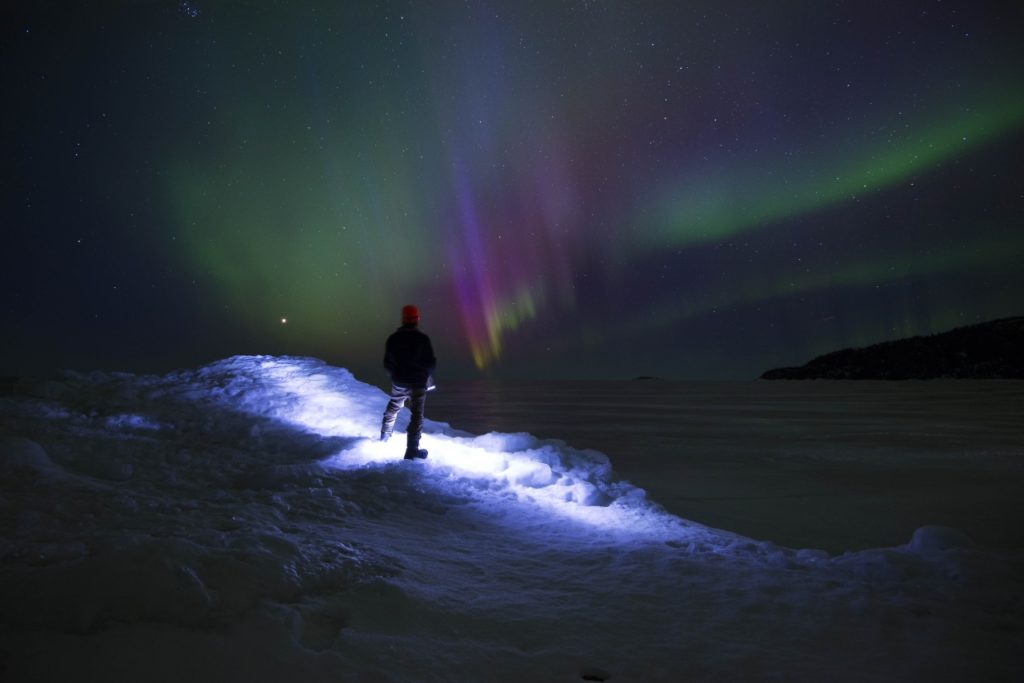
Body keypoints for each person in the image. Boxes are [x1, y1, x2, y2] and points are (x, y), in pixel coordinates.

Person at [380, 304, 436, 460]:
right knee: (417, 415)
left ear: (403, 319)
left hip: (400, 381)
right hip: (418, 383)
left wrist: (396, 375)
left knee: (393, 408)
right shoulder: (423, 339)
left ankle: (384, 437)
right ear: (417, 319)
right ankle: (411, 450)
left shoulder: (393, 339)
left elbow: (387, 364)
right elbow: (430, 363)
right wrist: (425, 375)